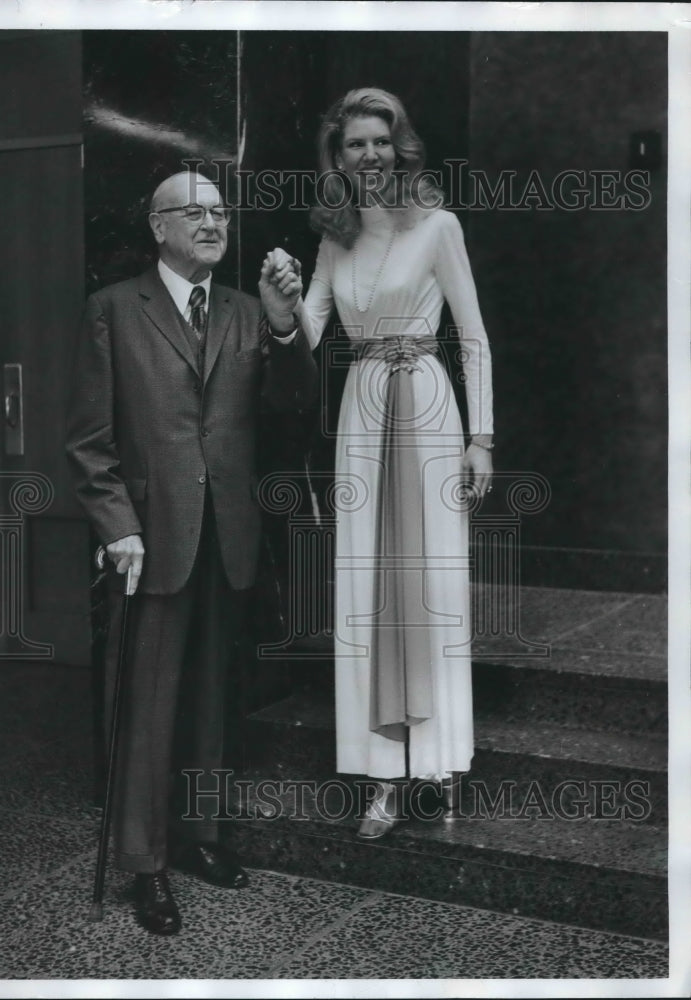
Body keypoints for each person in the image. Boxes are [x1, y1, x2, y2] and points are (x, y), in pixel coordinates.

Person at [65, 169, 316, 935]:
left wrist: (285, 328)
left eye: (220, 212)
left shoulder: (248, 312)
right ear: (157, 226)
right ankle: (144, 865)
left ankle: (201, 836)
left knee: (211, 696)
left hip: (227, 536)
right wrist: (118, 528)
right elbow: (87, 441)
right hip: (151, 540)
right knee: (144, 705)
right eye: (193, 212)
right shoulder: (114, 309)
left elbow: (293, 413)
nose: (212, 223)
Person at [268, 87, 494, 838]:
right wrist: (283, 303)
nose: (366, 155)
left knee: (430, 584)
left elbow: (473, 339)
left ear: (400, 147)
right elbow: (308, 334)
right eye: (351, 145)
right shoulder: (334, 236)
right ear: (336, 157)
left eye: (377, 141)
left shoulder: (437, 226)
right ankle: (380, 778)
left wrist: (481, 439)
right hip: (362, 411)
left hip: (428, 408)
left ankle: (435, 766)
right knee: (364, 585)